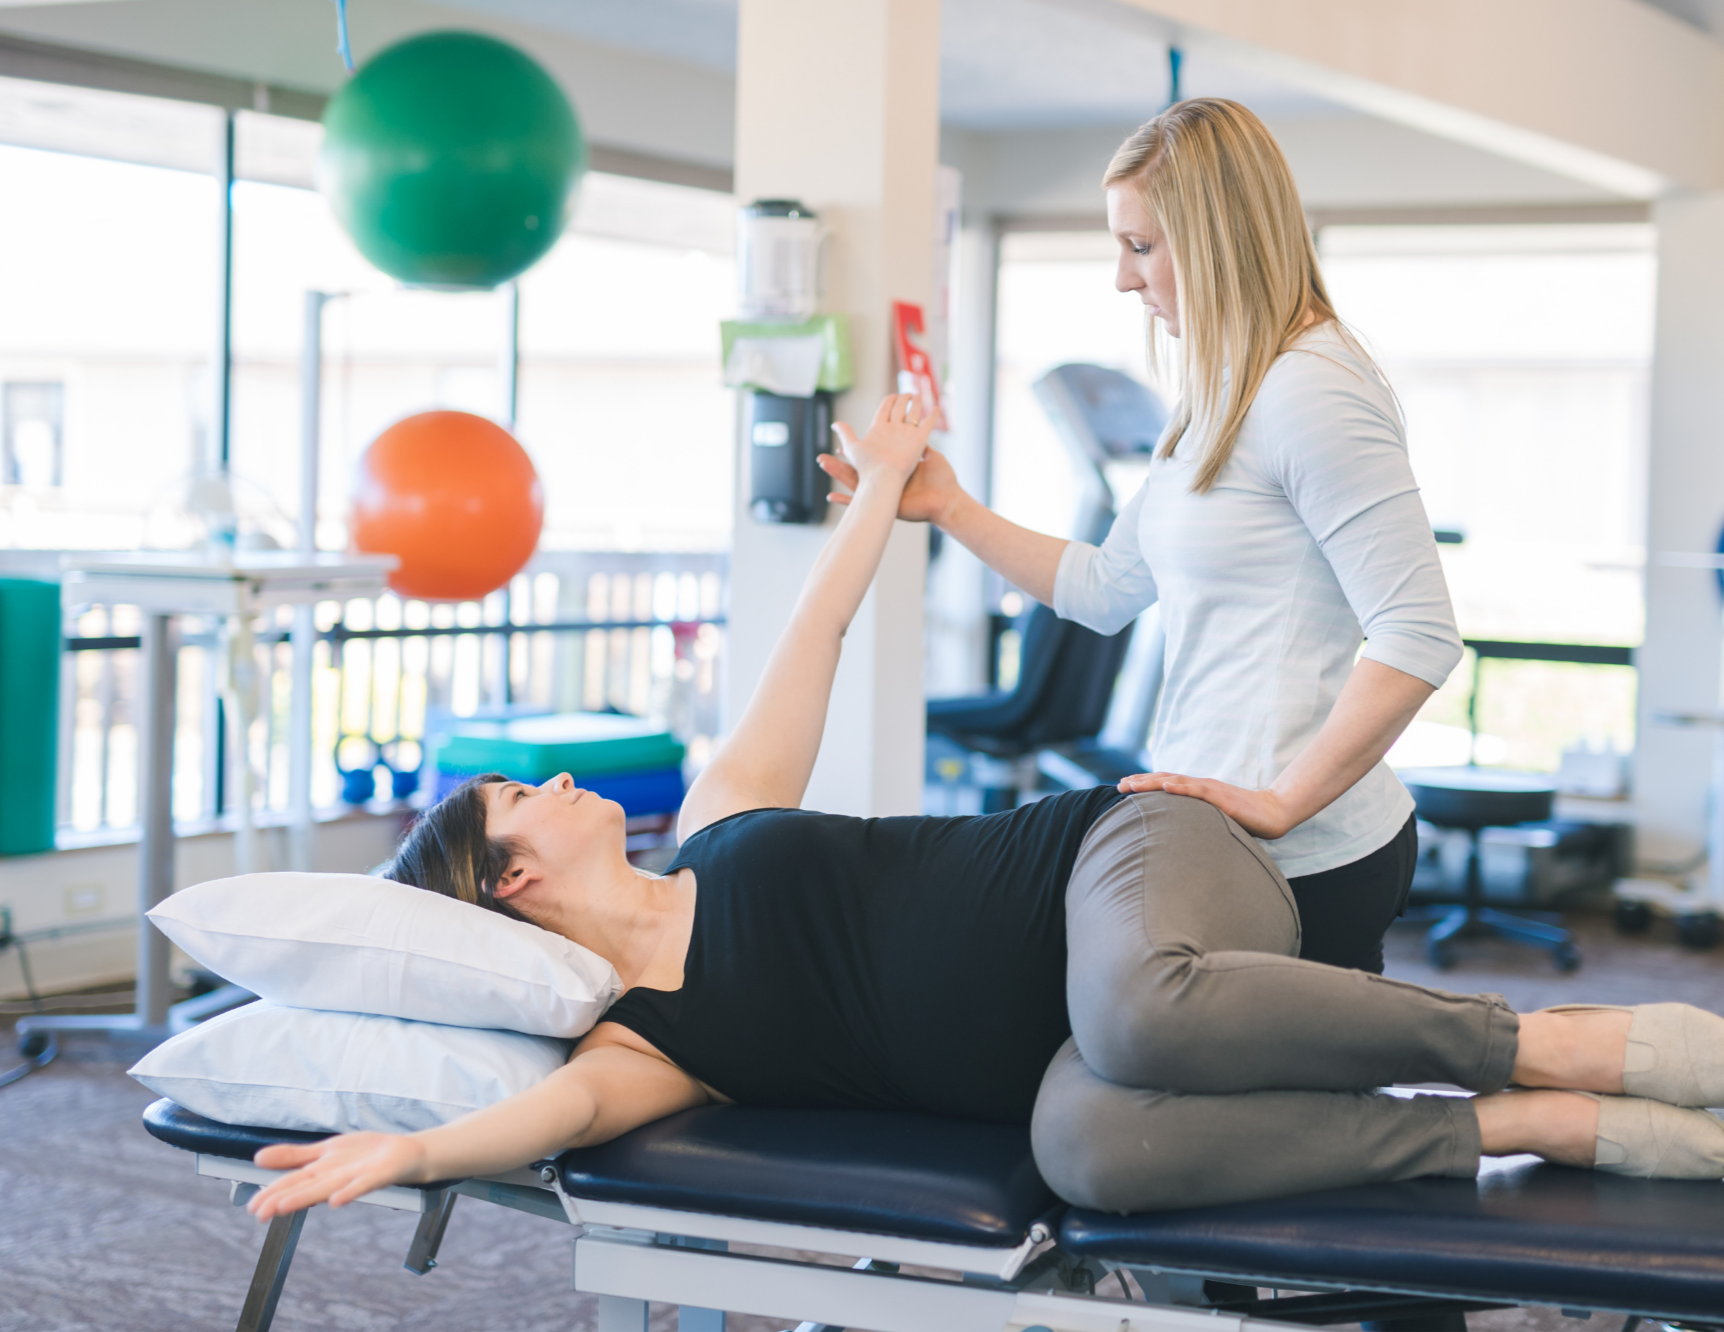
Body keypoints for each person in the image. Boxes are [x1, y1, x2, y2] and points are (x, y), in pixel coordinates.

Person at [246, 390, 1724, 1224]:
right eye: (527, 794)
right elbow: (549, 1114)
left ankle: (1551, 1042)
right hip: (1076, 1051)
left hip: (1123, 856)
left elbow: (809, 637)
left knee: (1143, 1010)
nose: (565, 782)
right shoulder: (649, 1047)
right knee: (1094, 1153)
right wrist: (407, 1152)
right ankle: (1532, 1120)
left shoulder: (718, 822)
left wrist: (894, 488)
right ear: (508, 884)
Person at [820, 98, 1458, 978]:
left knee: (1267, 1106)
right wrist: (950, 506)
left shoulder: (1313, 392)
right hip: (1217, 834)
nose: (1125, 279)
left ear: (1220, 237)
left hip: (1306, 855)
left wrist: (1279, 803)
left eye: (1144, 246)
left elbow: (1418, 635)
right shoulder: (1219, 392)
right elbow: (1107, 588)